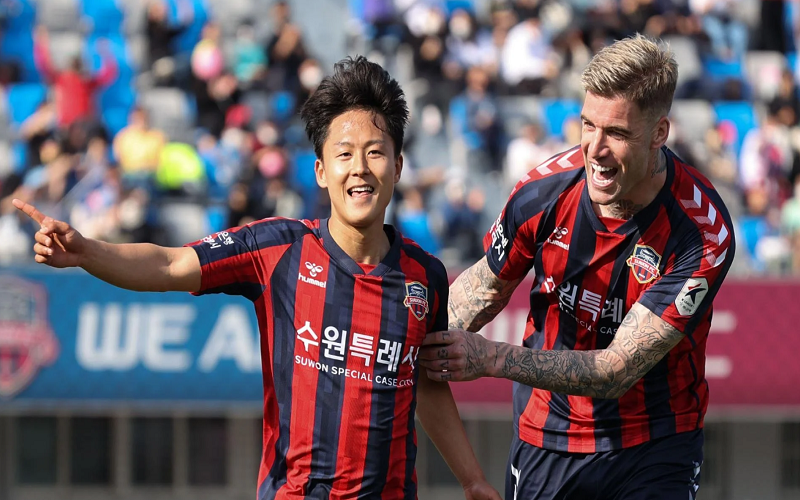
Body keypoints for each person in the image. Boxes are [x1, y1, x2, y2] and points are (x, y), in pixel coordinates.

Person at [15, 56, 500, 500]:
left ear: (397, 166)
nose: (360, 168)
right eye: (344, 154)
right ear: (320, 171)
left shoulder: (425, 277)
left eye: (375, 153)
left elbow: (428, 385)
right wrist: (87, 252)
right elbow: (169, 264)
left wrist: (473, 480)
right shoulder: (278, 249)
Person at [420, 34, 735, 500]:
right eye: (588, 125)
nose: (595, 149)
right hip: (546, 439)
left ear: (659, 133)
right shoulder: (541, 192)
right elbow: (479, 294)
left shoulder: (702, 231)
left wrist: (491, 358)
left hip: (656, 443)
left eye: (617, 133)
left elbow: (616, 370)